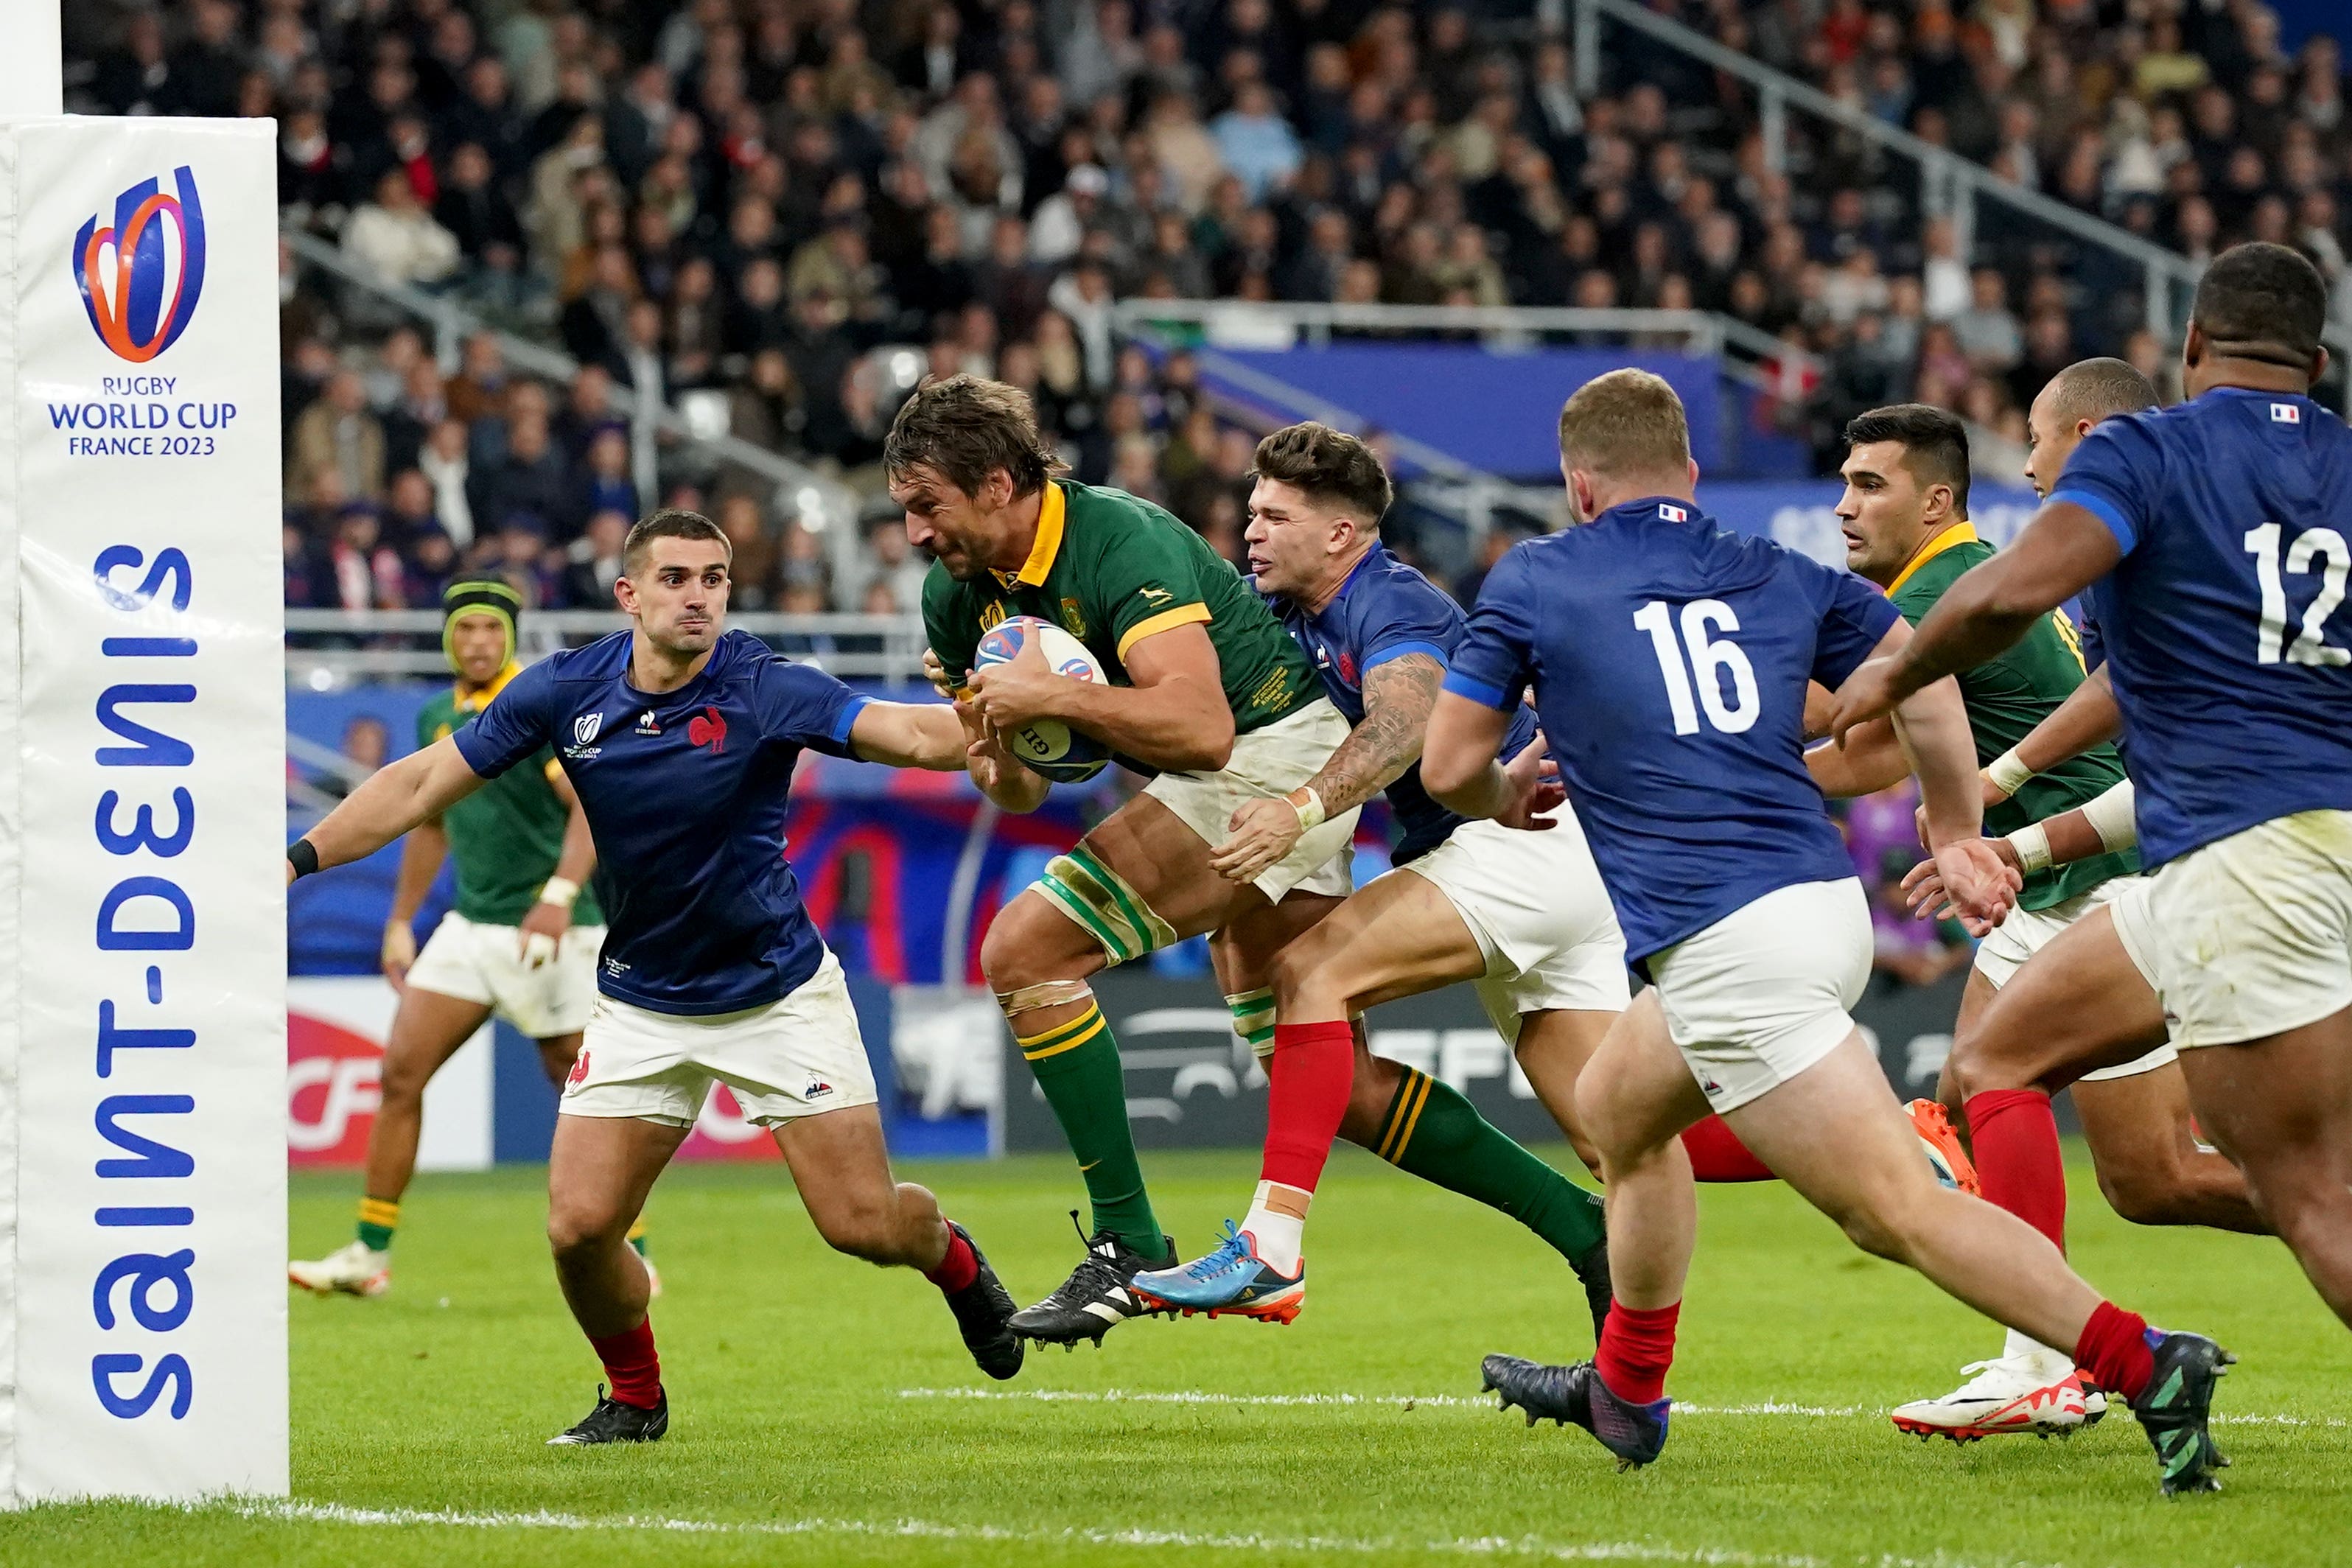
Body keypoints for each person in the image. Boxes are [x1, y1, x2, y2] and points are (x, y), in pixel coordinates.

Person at [1435, 368, 2227, 1494]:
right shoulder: (1781, 571)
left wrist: (1501, 796)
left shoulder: (1536, 577)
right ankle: (1629, 1389)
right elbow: (1925, 678)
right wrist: (1954, 828)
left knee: (1894, 1212)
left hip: (1726, 940)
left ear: (1577, 486)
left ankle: (2141, 1361)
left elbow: (1449, 766)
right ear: (1695, 477)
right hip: (1810, 906)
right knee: (1618, 1114)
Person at [287, 508, 1024, 1446]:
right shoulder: (566, 690)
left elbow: (906, 736)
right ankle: (635, 1397)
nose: (699, 595)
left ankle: (957, 1265)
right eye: (676, 577)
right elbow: (419, 786)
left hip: (777, 992)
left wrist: (1003, 712)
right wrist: (294, 861)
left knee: (865, 1226)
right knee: (579, 1228)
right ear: (629, 593)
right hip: (642, 999)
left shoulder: (763, 683)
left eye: (714, 578)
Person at [1834, 241, 2352, 1345]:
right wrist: (2015, 821)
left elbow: (2016, 589)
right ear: (2316, 359)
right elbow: (2132, 686)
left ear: (2194, 346)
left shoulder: (2145, 454)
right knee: (1999, 1064)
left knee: (2311, 1198)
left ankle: (2049, 1356)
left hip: (2247, 858)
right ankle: (2050, 1353)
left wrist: (1899, 667)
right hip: (2258, 852)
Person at [1822, 388, 2270, 1441]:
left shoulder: (1961, 582)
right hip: (2054, 877)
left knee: (1991, 1085)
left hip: (2095, 879)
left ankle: (2047, 1360)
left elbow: (1865, 727)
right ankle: (2056, 1346)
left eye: (1867, 484)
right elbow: (1892, 742)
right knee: (2144, 1174)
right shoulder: (2049, 569)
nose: (2026, 466)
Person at [1126, 422, 1622, 1333]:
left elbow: (1403, 719)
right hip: (1543, 857)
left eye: (1275, 516)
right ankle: (1894, 1151)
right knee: (1620, 1134)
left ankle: (1270, 1248)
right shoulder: (1281, 612)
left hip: (1522, 837)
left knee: (1312, 976)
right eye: (1251, 513)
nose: (1252, 531)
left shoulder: (1395, 602)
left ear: (1341, 535)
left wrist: (1301, 809)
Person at [897, 375, 1360, 1346]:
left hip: (1279, 752)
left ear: (992, 485)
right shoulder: (953, 600)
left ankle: (1130, 1238)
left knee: (1025, 951)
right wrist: (994, 743)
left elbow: (1198, 725)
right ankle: (1579, 1231)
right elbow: (1024, 789)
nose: (912, 533)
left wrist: (1054, 702)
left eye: (925, 505)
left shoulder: (1118, 538)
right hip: (1216, 772)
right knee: (1328, 1073)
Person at [290, 580, 627, 1299]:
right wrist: (400, 923)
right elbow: (431, 822)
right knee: (401, 1072)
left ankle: (632, 1249)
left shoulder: (536, 708)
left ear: (510, 636)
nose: (478, 640)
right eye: (465, 628)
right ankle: (367, 1254)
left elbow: (589, 810)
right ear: (448, 639)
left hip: (555, 930)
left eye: (490, 628)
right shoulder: (440, 717)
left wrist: (561, 897)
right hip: (472, 927)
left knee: (590, 1090)